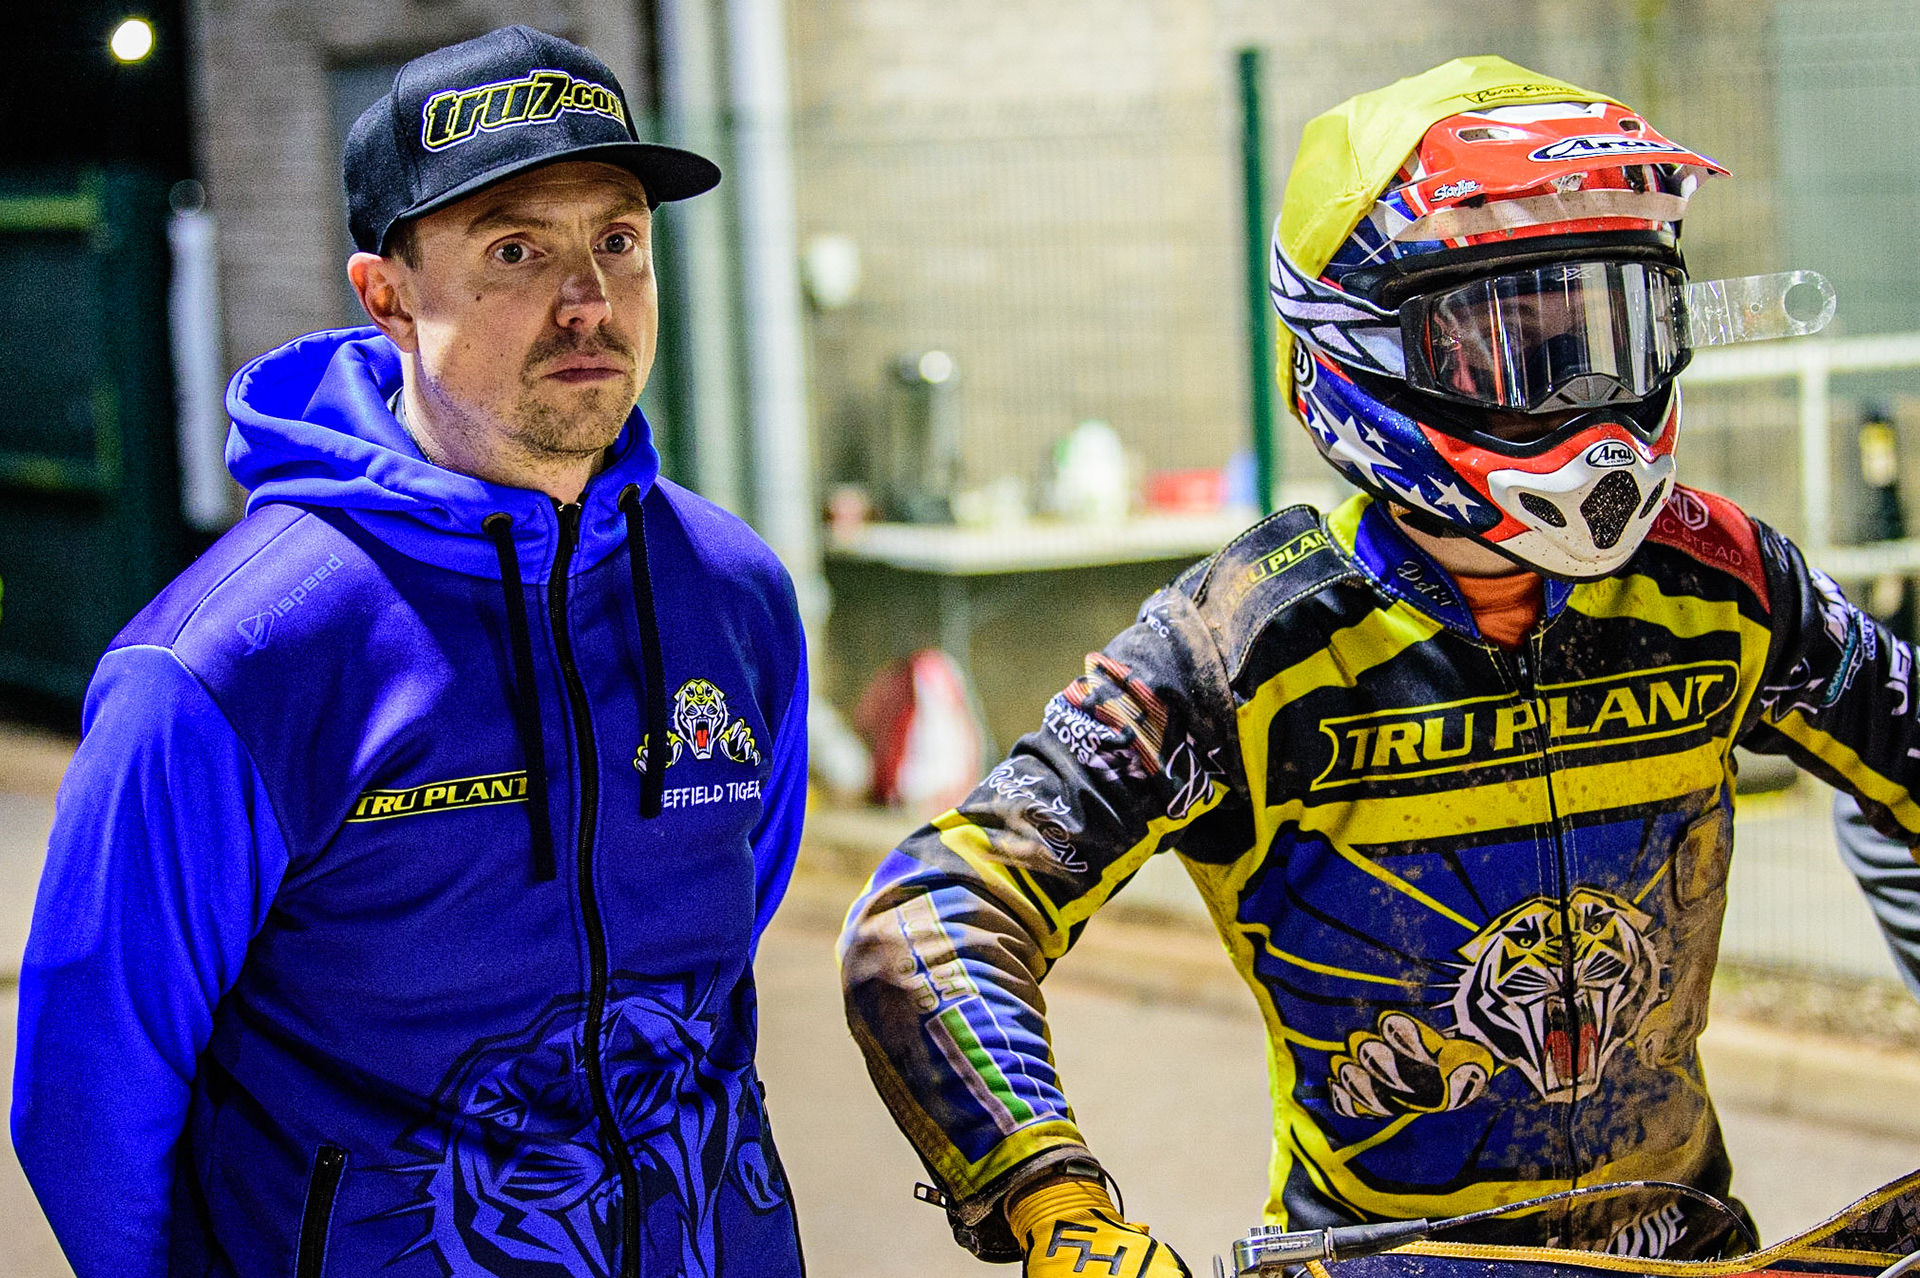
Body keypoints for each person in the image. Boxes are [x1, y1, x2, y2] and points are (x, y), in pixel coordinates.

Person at [840, 55, 1908, 1271]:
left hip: (1691, 1248)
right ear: (1357, 352)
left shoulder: (1723, 580)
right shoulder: (1243, 642)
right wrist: (1056, 1205)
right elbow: (932, 915)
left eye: (1615, 329)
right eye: (1519, 349)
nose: (1591, 399)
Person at [12, 26, 808, 1278]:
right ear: (387, 297)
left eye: (617, 242)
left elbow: (729, 933)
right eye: (514, 251)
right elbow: (90, 1100)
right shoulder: (231, 665)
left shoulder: (735, 596)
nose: (589, 300)